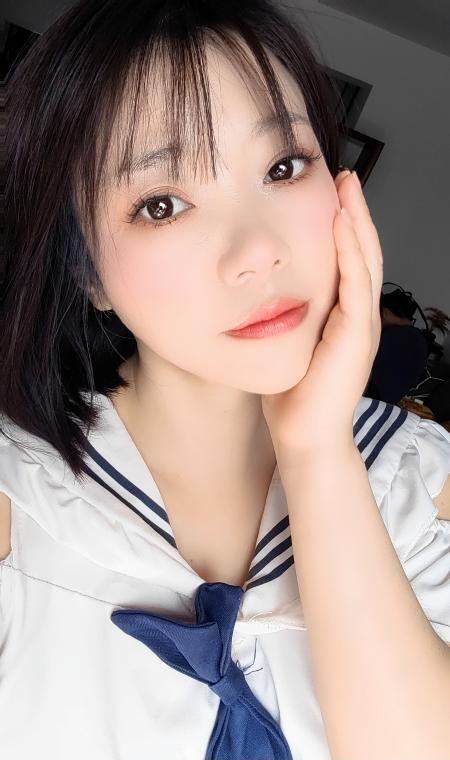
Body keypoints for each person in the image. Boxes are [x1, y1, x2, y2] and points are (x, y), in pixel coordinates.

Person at [1, 1, 449, 758]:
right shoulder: (21, 505)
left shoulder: (424, 488)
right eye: (162, 205)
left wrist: (316, 451)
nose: (257, 251)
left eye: (283, 167)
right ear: (86, 271)